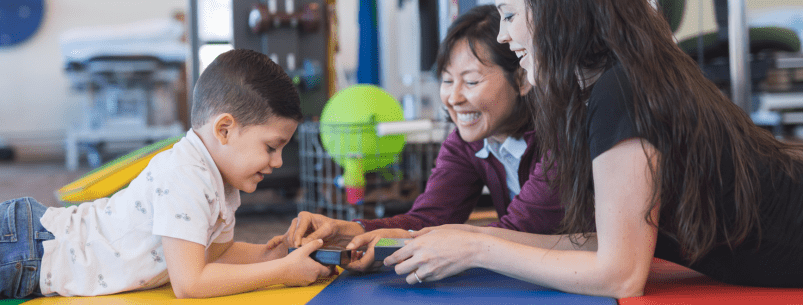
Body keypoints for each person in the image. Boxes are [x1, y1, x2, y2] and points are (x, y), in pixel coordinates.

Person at [382, 0, 803, 298]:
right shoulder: (603, 92)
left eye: (509, 15)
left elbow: (621, 275)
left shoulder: (623, 90)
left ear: (556, 12)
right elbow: (598, 242)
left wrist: (476, 247)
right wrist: (465, 236)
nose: (504, 35)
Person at [0, 49, 333, 299]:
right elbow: (190, 283)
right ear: (225, 130)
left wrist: (270, 254)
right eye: (271, 147)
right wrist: (280, 272)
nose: (276, 162)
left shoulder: (221, 182)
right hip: (30, 248)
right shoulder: (185, 175)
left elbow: (214, 252)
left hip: (30, 248)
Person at [284, 4, 563, 271]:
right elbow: (430, 217)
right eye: (447, 80)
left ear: (523, 79)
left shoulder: (557, 138)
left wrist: (407, 238)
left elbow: (522, 229)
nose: (454, 98)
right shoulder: (468, 142)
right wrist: (351, 231)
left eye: (472, 81)